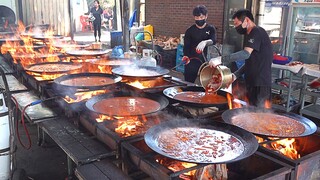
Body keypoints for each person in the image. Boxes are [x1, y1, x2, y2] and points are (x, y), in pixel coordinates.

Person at [209, 9, 273, 107]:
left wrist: (220, 59)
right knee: (251, 113)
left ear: (246, 20)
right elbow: (251, 61)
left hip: (261, 83)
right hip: (252, 82)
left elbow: (245, 54)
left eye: (236, 23)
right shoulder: (249, 34)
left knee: (260, 115)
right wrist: (235, 75)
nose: (235, 27)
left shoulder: (256, 31)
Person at [182, 5, 217, 83]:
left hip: (205, 61)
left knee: (206, 84)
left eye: (201, 17)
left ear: (206, 16)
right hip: (191, 60)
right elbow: (186, 46)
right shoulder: (190, 30)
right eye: (197, 18)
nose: (199, 20)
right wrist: (186, 56)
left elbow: (214, 40)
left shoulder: (210, 28)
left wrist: (205, 42)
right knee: (188, 83)